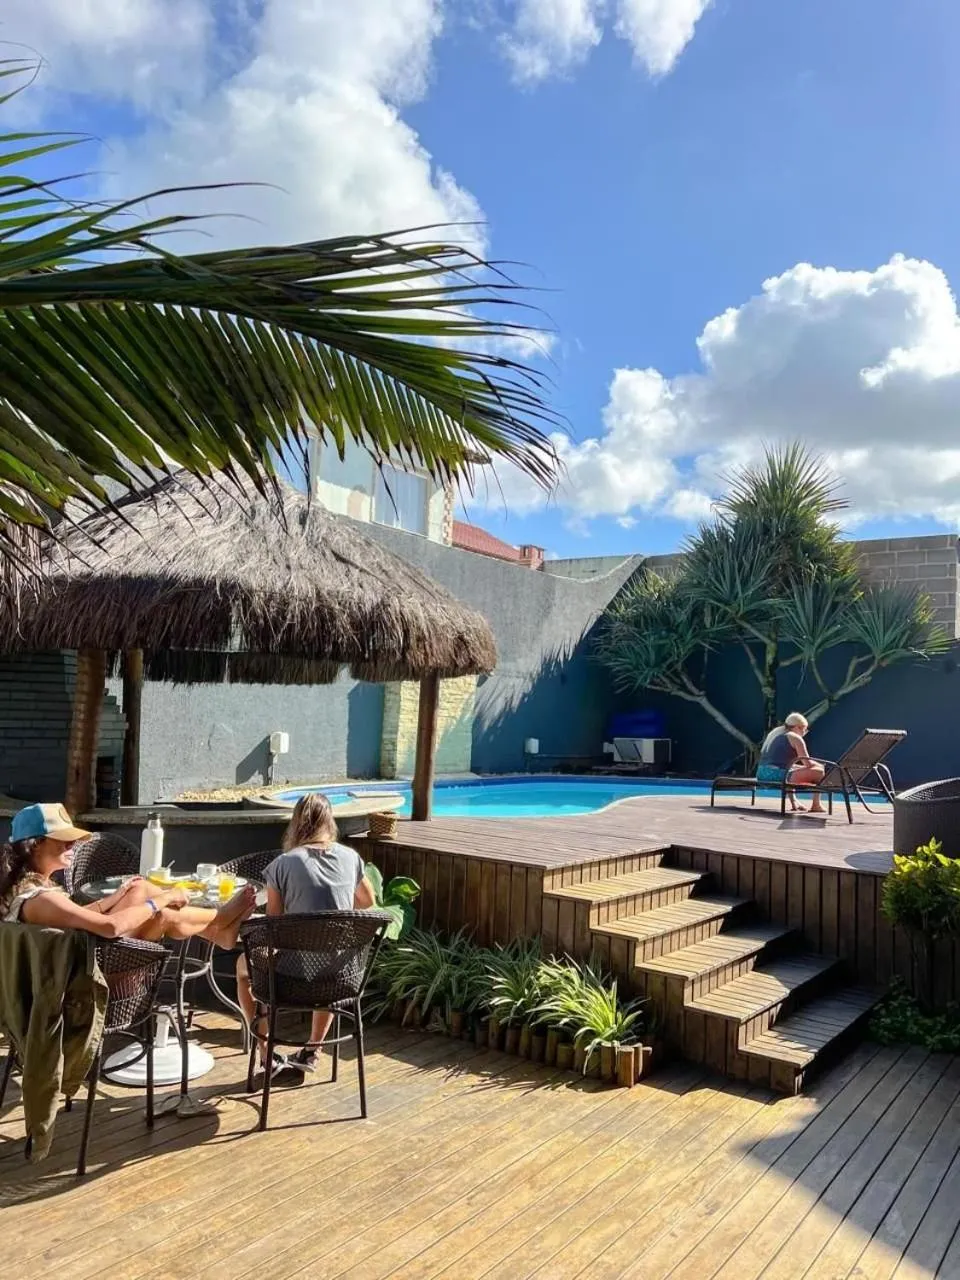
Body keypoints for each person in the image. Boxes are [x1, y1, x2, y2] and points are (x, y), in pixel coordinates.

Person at [235, 793, 376, 1081]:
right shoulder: (351, 858)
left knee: (243, 968)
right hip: (343, 975)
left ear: (296, 824)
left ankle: (265, 1051)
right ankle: (313, 1049)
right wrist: (333, 911)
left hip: (294, 976)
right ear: (330, 822)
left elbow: (274, 925)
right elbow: (368, 902)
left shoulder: (284, 863)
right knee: (328, 958)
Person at [0, 802, 257, 945]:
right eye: (64, 840)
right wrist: (163, 898)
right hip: (82, 982)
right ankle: (218, 921)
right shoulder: (40, 899)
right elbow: (111, 927)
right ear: (35, 845)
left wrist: (115, 898)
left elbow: (74, 917)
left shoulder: (32, 889)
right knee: (158, 907)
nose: (72, 845)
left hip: (79, 964)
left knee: (141, 891)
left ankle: (217, 930)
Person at [757, 712, 826, 814]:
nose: (805, 732)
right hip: (775, 775)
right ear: (798, 727)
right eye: (804, 729)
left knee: (792, 770)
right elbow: (807, 763)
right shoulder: (795, 738)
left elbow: (783, 764)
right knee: (819, 772)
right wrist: (820, 765)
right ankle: (816, 805)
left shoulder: (776, 734)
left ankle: (794, 803)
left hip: (762, 774)